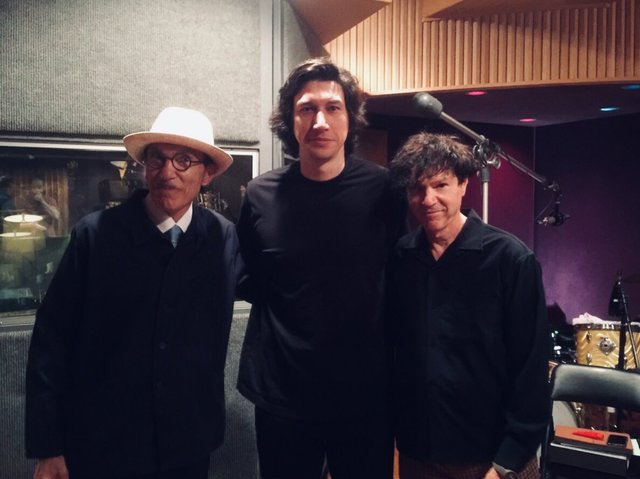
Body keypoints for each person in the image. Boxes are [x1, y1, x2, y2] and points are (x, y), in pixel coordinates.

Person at [25, 107, 243, 479]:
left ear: (207, 174)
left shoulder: (223, 238)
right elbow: (52, 339)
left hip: (188, 442)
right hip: (105, 442)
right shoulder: (95, 235)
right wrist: (49, 445)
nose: (167, 171)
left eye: (184, 160)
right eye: (157, 158)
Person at [236, 57, 404, 479]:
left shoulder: (385, 191)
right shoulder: (259, 195)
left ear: (350, 118)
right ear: (290, 120)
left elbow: (402, 278)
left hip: (364, 394)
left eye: (332, 108)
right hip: (283, 394)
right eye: (306, 109)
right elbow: (253, 280)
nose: (320, 121)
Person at [388, 132, 549, 479]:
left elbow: (531, 371)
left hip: (492, 458)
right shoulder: (401, 258)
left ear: (463, 184)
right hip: (420, 453)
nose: (428, 199)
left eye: (440, 185)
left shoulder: (511, 260)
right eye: (417, 188)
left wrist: (506, 463)